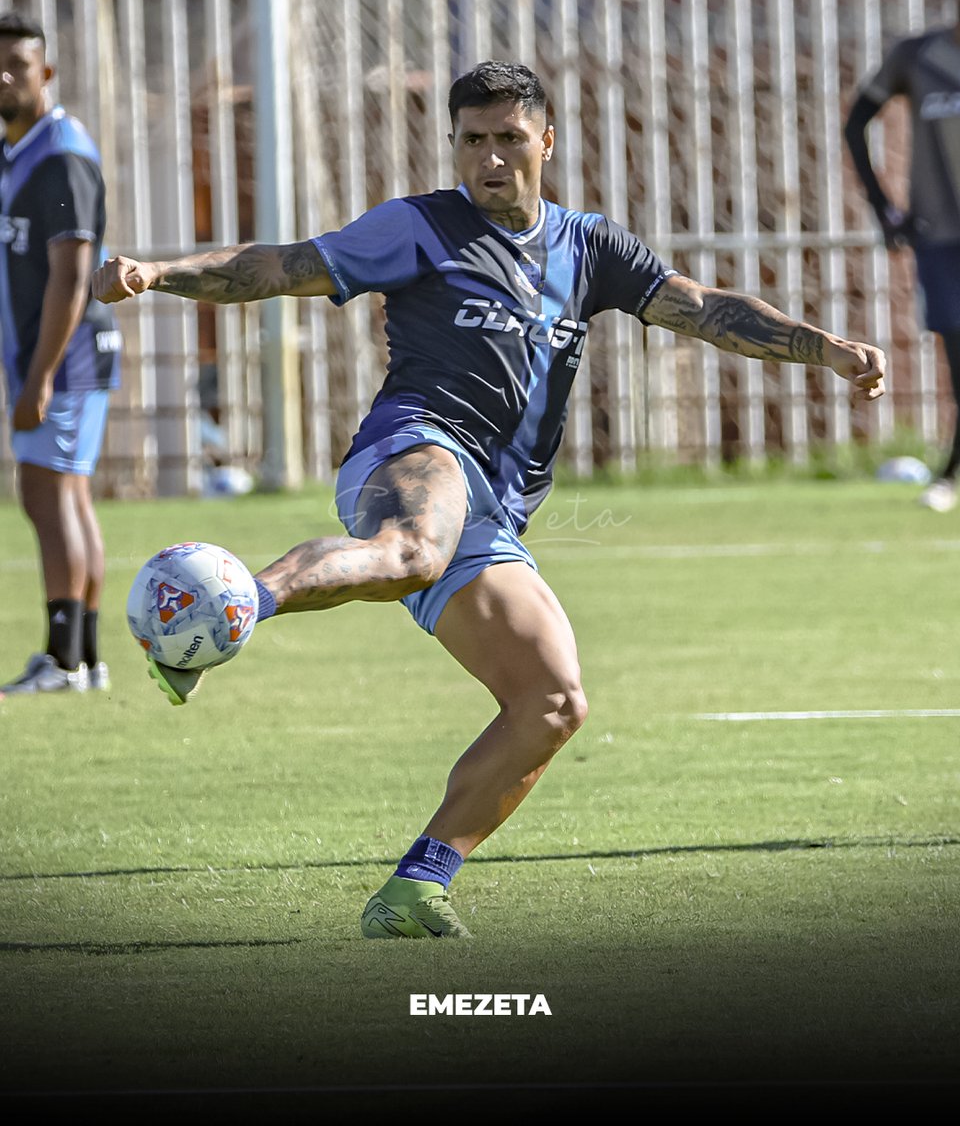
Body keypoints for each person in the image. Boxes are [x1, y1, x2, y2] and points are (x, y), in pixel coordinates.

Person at [93, 61, 885, 939]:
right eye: (474, 140)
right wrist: (160, 273)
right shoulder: (421, 226)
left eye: (510, 139)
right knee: (413, 550)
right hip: (413, 449)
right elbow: (283, 266)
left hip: (495, 511)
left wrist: (824, 349)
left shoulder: (589, 247)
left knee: (553, 703)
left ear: (545, 141)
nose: (492, 159)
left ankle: (414, 890)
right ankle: (234, 604)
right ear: (456, 146)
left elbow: (699, 308)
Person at [0, 12, 120, 698]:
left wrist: (38, 378)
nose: (6, 76)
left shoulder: (61, 154)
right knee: (65, 495)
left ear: (46, 73)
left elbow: (74, 275)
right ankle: (85, 658)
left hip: (67, 356)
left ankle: (62, 659)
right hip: (53, 356)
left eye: (19, 63)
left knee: (46, 495)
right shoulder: (18, 152)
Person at [844, 0, 960, 512]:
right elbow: (854, 121)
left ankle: (950, 475)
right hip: (941, 236)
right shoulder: (918, 57)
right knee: (957, 352)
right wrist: (883, 208)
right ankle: (951, 476)